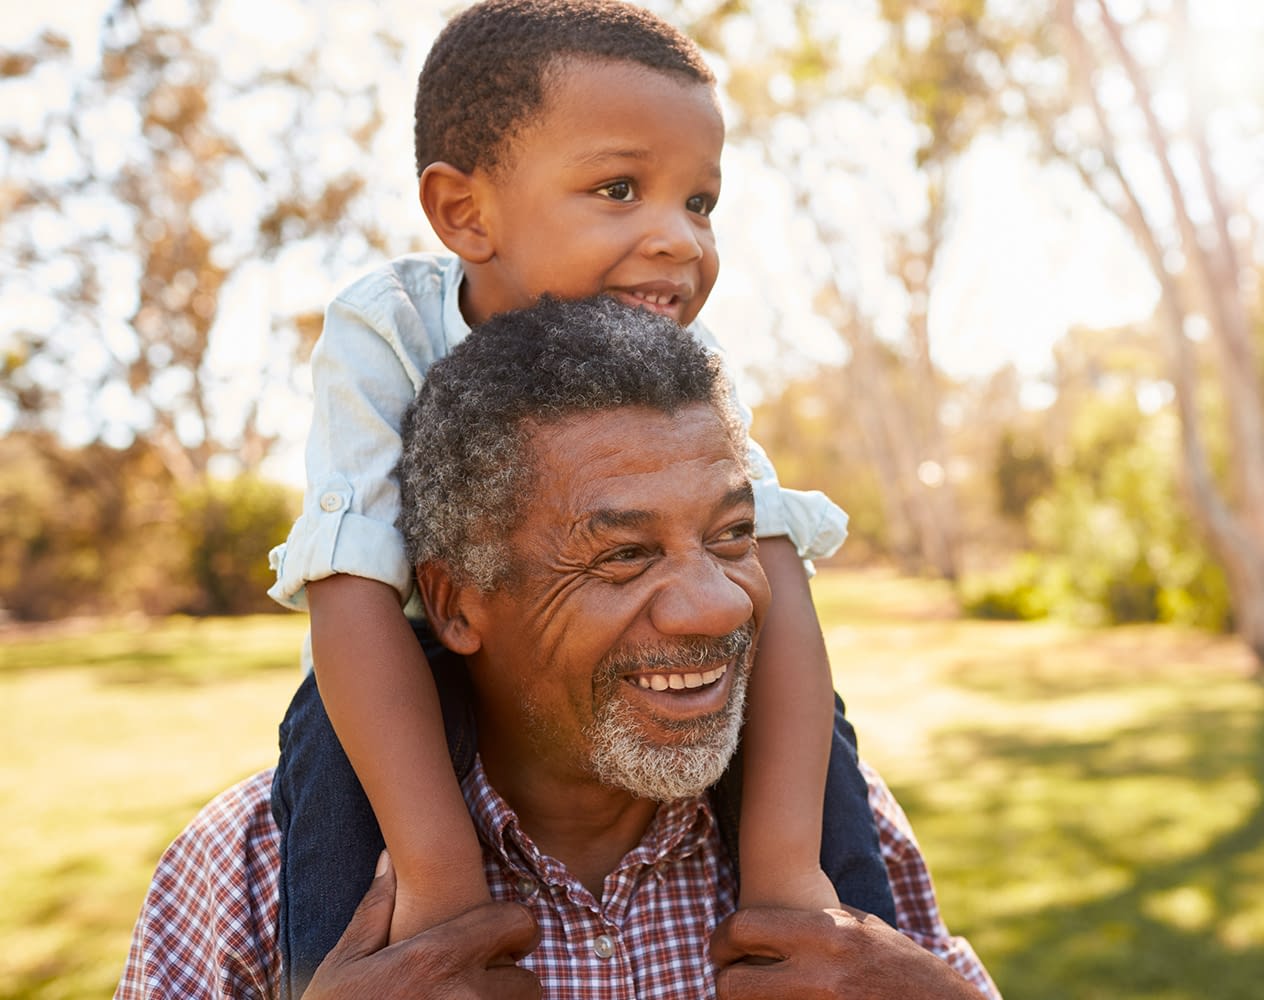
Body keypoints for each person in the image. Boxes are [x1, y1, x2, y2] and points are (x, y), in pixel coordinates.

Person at [263, 1, 892, 993]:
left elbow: (772, 567)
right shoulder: (387, 329)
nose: (679, 239)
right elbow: (349, 586)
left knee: (821, 737)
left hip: (620, 692)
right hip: (415, 661)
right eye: (618, 188)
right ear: (466, 212)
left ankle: (841, 953)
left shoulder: (692, 362)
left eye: (699, 202)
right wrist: (440, 883)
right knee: (322, 739)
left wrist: (787, 872)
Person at [118, 297, 998, 999]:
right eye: (623, 553)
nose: (716, 605)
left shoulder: (842, 827)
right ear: (456, 605)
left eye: (733, 538)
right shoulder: (248, 872)